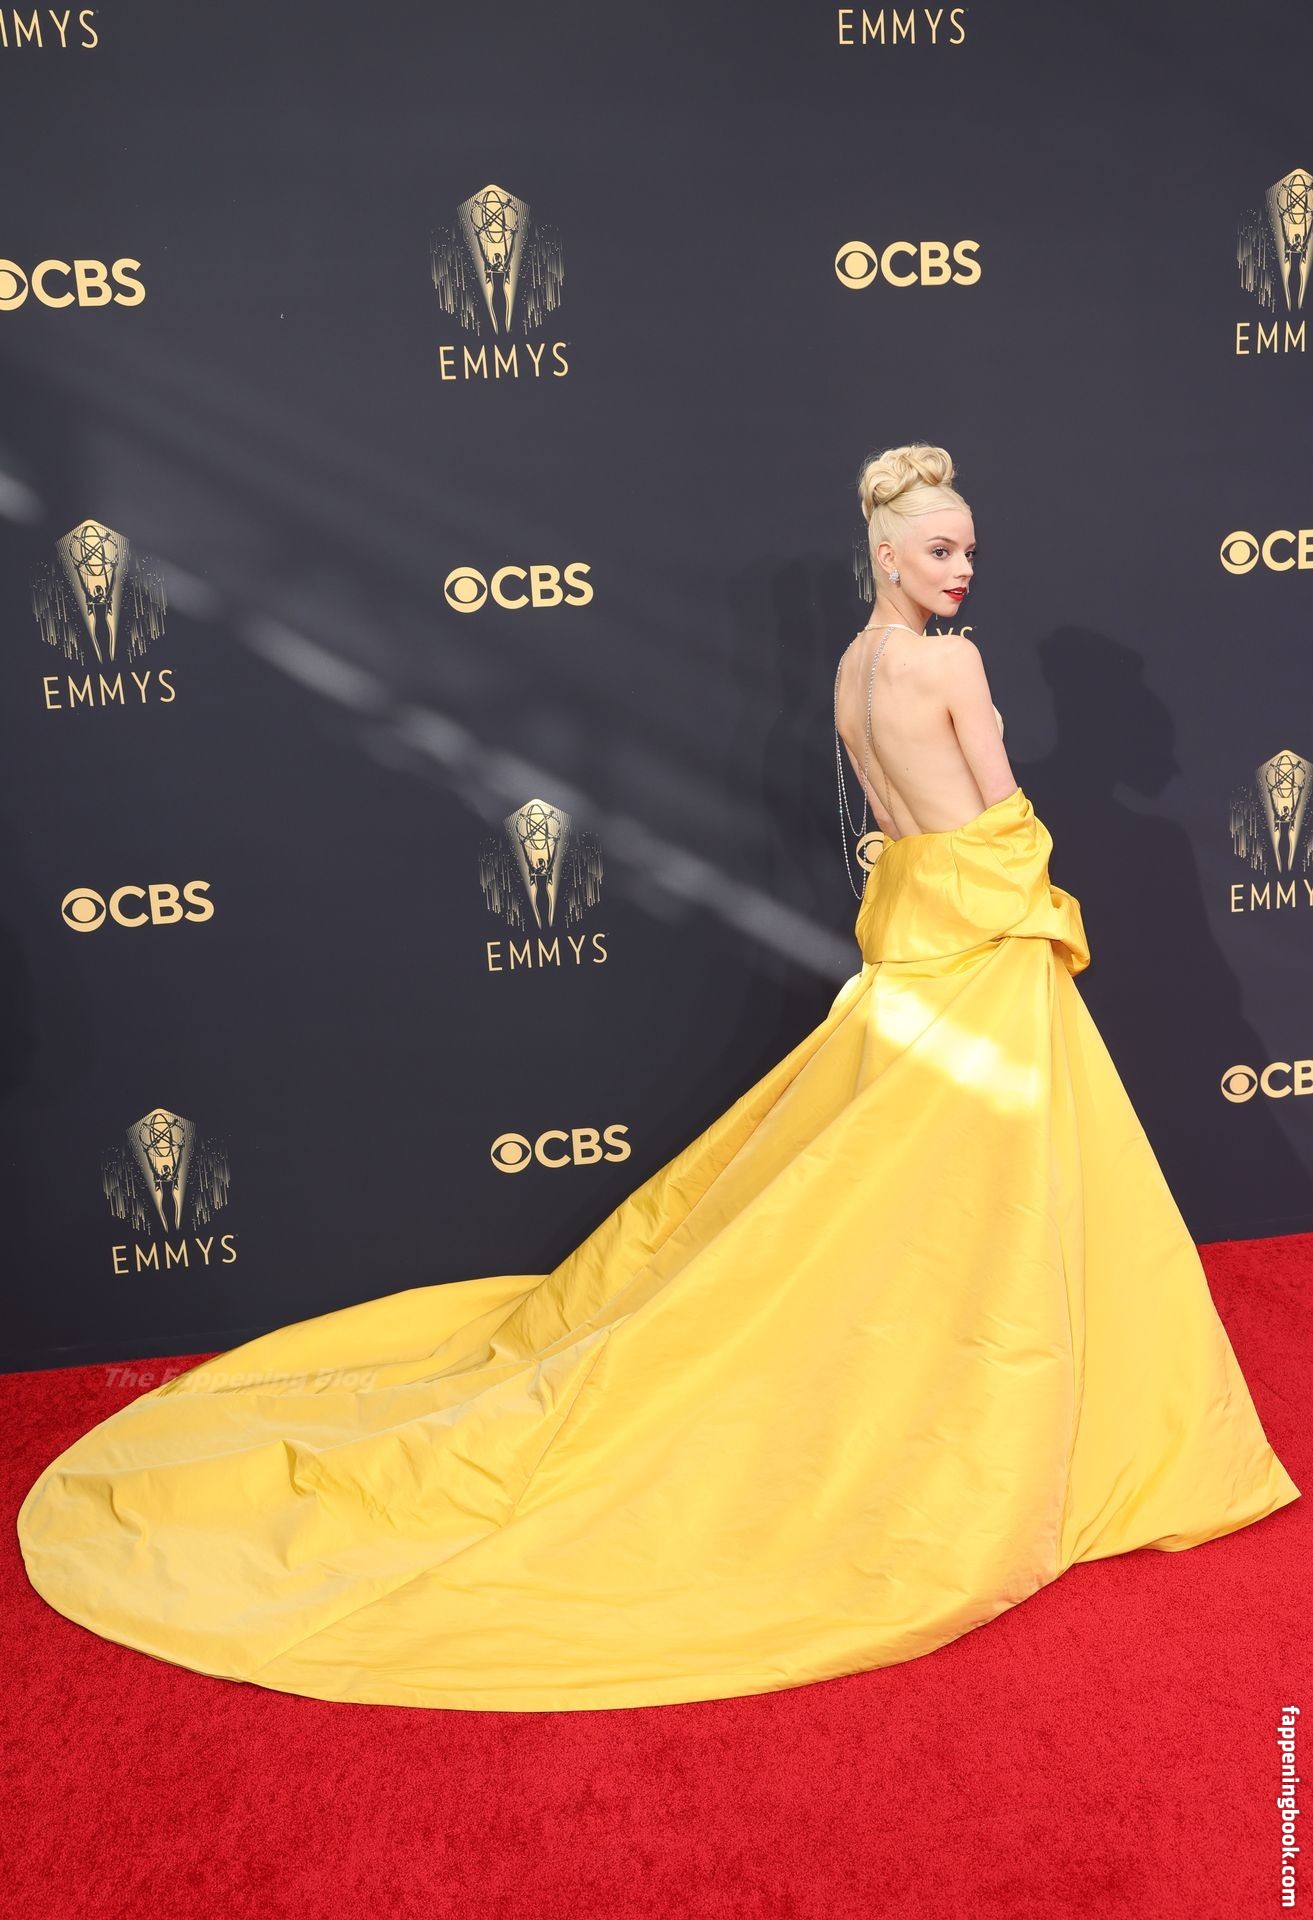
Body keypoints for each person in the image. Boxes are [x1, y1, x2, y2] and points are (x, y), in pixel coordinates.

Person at [16, 442, 1300, 1714]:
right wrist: (1039, 894)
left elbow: (888, 824)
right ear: (885, 552)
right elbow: (1001, 818)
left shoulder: (852, 669)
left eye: (967, 550)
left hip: (911, 952)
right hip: (981, 951)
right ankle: (1025, 1421)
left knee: (913, 1199)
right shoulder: (948, 664)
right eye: (939, 548)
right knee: (1002, 1194)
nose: (962, 570)